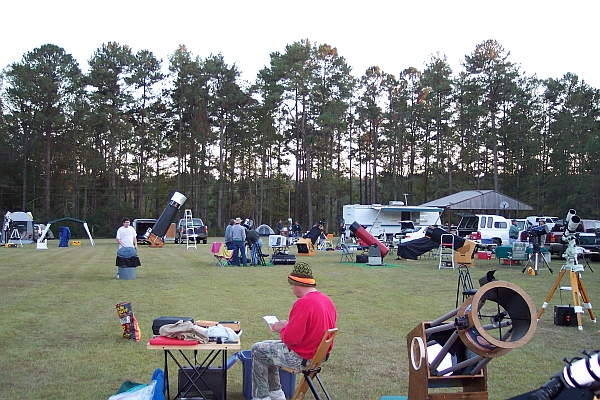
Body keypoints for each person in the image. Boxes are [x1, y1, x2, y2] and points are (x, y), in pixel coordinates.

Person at [250, 263, 337, 400]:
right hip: (318, 356)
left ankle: (262, 396)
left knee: (257, 349)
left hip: (302, 358)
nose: (292, 288)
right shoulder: (326, 300)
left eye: (292, 285)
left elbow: (291, 340)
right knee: (266, 346)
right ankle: (276, 393)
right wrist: (288, 326)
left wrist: (282, 328)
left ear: (298, 284)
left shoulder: (303, 303)